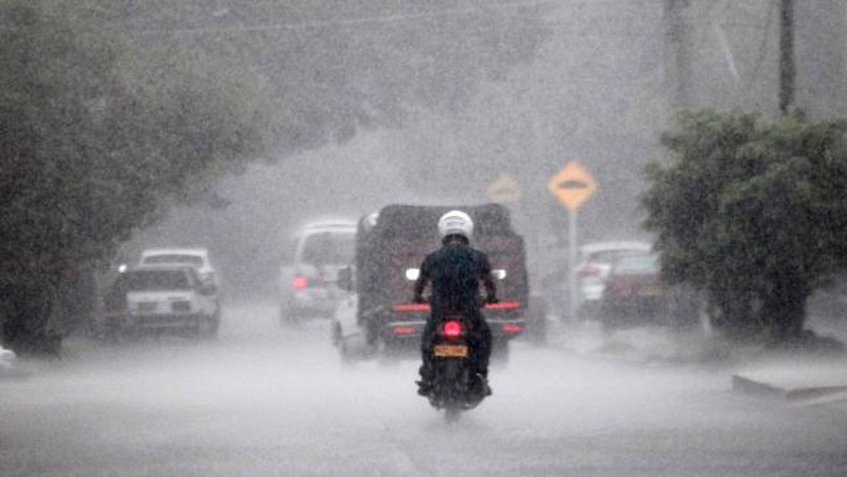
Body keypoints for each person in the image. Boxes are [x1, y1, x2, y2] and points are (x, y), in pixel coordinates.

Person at [413, 210, 498, 397]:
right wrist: (491, 297)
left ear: (442, 231)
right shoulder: (478, 257)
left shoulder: (432, 258)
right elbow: (489, 283)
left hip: (440, 312)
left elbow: (420, 284)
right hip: (469, 311)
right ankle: (480, 375)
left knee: (428, 340)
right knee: (483, 338)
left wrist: (418, 298)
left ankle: (428, 375)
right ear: (468, 231)